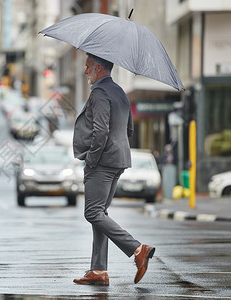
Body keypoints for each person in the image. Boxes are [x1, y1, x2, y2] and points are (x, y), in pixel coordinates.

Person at [72, 53, 155, 286]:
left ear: (98, 68)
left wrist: (91, 159)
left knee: (92, 213)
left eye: (88, 67)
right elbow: (129, 129)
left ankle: (137, 249)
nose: (85, 71)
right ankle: (98, 270)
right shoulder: (119, 91)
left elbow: (101, 131)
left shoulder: (99, 93)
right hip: (119, 159)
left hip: (102, 161)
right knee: (100, 214)